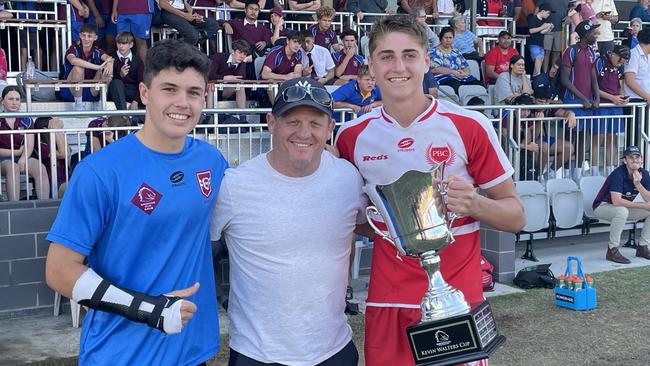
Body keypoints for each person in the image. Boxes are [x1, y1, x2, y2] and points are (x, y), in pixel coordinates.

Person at [335, 15, 524, 366]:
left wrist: (475, 203)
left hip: (456, 303)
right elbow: (357, 221)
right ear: (372, 66)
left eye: (409, 55)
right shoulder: (350, 138)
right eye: (386, 56)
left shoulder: (469, 126)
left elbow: (515, 216)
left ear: (426, 60)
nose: (398, 66)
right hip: (388, 302)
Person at [44, 40, 227, 365]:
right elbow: (58, 271)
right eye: (169, 89)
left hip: (190, 348)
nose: (182, 103)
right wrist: (149, 309)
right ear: (144, 93)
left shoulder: (212, 162)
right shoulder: (100, 171)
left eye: (193, 92)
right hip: (120, 353)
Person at [210, 77, 365, 365]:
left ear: (330, 129)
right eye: (292, 121)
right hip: (258, 354)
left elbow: (356, 228)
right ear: (271, 123)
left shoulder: (348, 178)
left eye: (315, 123)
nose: (304, 133)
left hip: (333, 350)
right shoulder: (234, 186)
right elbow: (196, 246)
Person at [593, 146, 650, 263]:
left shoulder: (644, 174)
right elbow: (616, 201)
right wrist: (643, 206)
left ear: (642, 160)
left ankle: (643, 247)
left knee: (623, 210)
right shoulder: (618, 174)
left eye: (637, 157)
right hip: (602, 206)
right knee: (621, 211)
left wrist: (638, 184)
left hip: (623, 207)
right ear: (625, 160)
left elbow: (648, 198)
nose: (635, 160)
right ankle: (612, 250)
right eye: (631, 157)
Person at [0, 86, 50, 201]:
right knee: (13, 168)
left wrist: (22, 158)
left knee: (40, 167)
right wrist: (16, 152)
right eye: (10, 99)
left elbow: (29, 144)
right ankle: (15, 206)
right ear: (2, 100)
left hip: (22, 157)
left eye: (17, 99)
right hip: (2, 159)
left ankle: (44, 205)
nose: (14, 102)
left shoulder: (26, 119)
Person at [60, 23, 114, 111]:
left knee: (107, 69)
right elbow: (73, 60)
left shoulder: (97, 51)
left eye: (89, 36)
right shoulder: (73, 49)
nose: (86, 39)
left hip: (91, 91)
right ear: (80, 36)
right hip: (71, 90)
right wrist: (97, 67)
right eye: (84, 35)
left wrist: (109, 64)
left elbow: (109, 58)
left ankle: (101, 103)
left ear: (95, 38)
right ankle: (78, 105)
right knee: (78, 67)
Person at [594, 45, 630, 176]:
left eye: (623, 62)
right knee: (598, 138)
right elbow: (593, 87)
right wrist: (612, 98)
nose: (621, 63)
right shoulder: (600, 61)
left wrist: (622, 97)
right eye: (620, 60)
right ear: (613, 54)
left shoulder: (620, 65)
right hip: (602, 104)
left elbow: (620, 85)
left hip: (615, 106)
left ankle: (611, 171)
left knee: (612, 138)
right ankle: (594, 172)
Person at [431, 26, 482, 93]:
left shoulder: (456, 52)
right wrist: (452, 72)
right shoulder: (434, 52)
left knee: (478, 84)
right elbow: (435, 69)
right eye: (446, 38)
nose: (448, 40)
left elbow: (466, 67)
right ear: (441, 38)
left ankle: (476, 102)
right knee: (455, 84)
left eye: (450, 38)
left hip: (459, 76)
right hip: (443, 77)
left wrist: (465, 73)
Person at [207, 39, 251, 110]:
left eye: (244, 54)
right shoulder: (218, 57)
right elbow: (210, 76)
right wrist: (225, 78)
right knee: (212, 86)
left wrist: (243, 62)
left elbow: (240, 78)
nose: (242, 56)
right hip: (208, 88)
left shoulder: (242, 62)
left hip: (224, 89)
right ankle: (209, 117)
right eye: (239, 53)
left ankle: (243, 117)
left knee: (240, 86)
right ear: (233, 51)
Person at [33, 117, 71, 197]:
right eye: (53, 124)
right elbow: (64, 154)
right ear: (44, 128)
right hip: (52, 184)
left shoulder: (57, 141)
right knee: (71, 188)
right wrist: (56, 131)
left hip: (65, 179)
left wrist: (58, 132)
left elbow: (68, 151)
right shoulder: (40, 145)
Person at [156, 0, 221, 46]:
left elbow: (185, 4)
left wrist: (195, 14)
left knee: (213, 25)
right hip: (169, 13)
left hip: (184, 11)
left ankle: (192, 40)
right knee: (192, 35)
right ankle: (172, 51)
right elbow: (162, 4)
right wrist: (185, 15)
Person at [109, 31, 144, 111]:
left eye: (124, 43)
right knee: (117, 83)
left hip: (132, 92)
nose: (121, 46)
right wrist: (119, 75)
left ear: (131, 45)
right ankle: (124, 115)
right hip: (115, 91)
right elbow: (108, 80)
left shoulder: (137, 61)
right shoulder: (111, 58)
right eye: (119, 43)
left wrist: (135, 101)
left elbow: (142, 82)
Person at [538, 0, 568, 74]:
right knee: (546, 52)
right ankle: (544, 74)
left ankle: (553, 75)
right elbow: (537, 11)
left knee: (556, 53)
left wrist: (569, 16)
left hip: (561, 29)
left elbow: (573, 8)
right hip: (546, 28)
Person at [527, 3, 553, 76]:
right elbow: (531, 30)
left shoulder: (544, 20)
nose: (548, 15)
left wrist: (549, 28)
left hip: (540, 44)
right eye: (548, 13)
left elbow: (542, 32)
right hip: (533, 43)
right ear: (542, 11)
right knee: (538, 58)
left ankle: (535, 78)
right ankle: (539, 76)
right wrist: (543, 27)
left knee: (541, 59)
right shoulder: (533, 18)